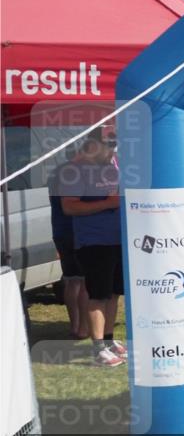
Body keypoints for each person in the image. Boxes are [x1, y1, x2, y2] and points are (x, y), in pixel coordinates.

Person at [61, 130, 126, 367]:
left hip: (117, 238)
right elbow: (69, 207)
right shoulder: (74, 170)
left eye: (114, 145)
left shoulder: (113, 166)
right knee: (98, 294)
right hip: (93, 241)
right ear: (92, 145)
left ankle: (108, 341)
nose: (112, 150)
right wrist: (109, 202)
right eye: (108, 145)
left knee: (113, 293)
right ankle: (98, 349)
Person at [48, 146, 89, 340]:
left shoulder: (56, 173)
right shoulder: (77, 173)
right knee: (83, 281)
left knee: (71, 280)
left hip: (60, 230)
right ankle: (83, 329)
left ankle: (75, 326)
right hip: (76, 230)